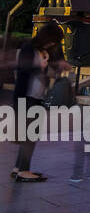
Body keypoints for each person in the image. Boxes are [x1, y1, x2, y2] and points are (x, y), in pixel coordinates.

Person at [10, 22, 64, 183]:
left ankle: (18, 168)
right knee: (30, 134)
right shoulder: (28, 48)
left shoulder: (45, 52)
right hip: (27, 96)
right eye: (54, 40)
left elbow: (50, 70)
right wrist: (42, 67)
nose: (54, 44)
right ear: (46, 37)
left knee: (30, 134)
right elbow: (23, 69)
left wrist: (56, 67)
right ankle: (24, 171)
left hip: (38, 96)